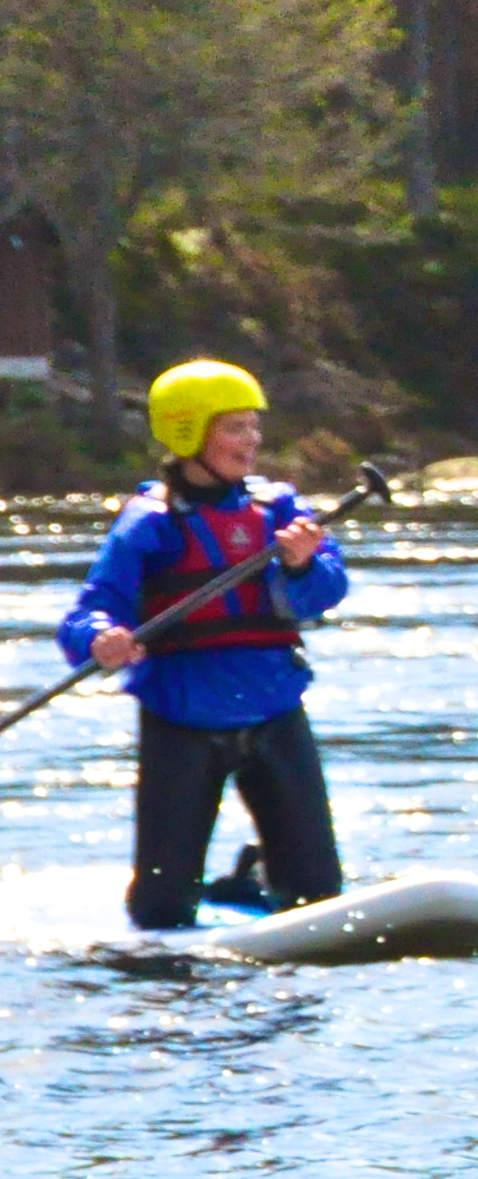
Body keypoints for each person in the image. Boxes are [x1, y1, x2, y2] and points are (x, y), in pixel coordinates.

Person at [58, 361, 352, 930]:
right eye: (235, 428)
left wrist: (301, 565)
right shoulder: (149, 523)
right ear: (190, 433)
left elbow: (326, 590)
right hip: (182, 716)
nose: (253, 440)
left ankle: (258, 880)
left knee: (318, 892)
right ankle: (223, 895)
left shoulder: (281, 512)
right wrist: (100, 637)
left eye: (253, 426)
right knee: (162, 910)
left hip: (274, 708)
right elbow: (86, 613)